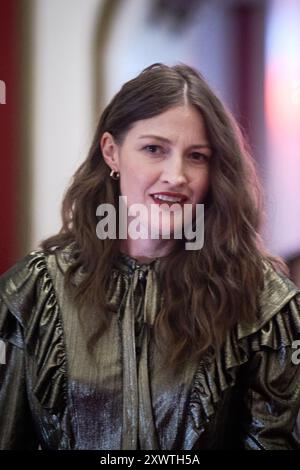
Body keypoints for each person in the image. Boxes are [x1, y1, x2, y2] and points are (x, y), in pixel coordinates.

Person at [0, 62, 300, 450]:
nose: (176, 175)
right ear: (112, 152)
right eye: (154, 149)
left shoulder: (259, 298)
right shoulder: (38, 290)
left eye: (197, 156)